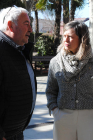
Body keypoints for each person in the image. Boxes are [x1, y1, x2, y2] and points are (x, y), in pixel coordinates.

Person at [46, 20, 93, 140]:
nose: (65, 40)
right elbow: (50, 90)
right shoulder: (55, 62)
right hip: (63, 117)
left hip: (91, 118)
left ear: (82, 39)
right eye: (64, 36)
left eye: (70, 37)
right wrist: (55, 111)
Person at [0, 6, 36, 140]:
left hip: (16, 133)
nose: (31, 30)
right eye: (26, 24)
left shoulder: (18, 49)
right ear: (10, 25)